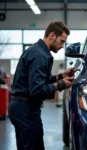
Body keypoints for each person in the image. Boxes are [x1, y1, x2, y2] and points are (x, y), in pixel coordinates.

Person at [8, 21, 75, 150]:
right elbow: (37, 89)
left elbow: (39, 79)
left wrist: (61, 76)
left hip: (22, 107)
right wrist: (60, 84)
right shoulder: (39, 55)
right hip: (25, 110)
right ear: (52, 36)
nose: (62, 46)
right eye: (61, 41)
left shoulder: (37, 51)